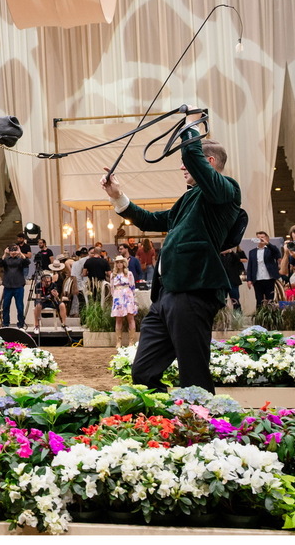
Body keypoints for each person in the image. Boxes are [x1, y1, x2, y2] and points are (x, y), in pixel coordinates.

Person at [100, 111, 242, 391]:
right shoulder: (188, 199)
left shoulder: (226, 191)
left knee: (194, 373)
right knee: (143, 371)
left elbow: (193, 159)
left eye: (185, 163)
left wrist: (190, 127)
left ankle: (203, 428)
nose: (181, 168)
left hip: (193, 293)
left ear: (208, 162)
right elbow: (151, 221)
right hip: (167, 296)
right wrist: (118, 196)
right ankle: (168, 423)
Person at [245, 230, 282, 308]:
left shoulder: (270, 249)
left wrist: (267, 243)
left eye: (262, 237)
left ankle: (271, 317)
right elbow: (250, 266)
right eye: (258, 237)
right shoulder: (252, 252)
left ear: (266, 238)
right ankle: (259, 317)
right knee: (259, 300)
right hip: (257, 279)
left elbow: (277, 253)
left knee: (270, 299)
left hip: (269, 278)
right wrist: (249, 279)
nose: (260, 239)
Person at [108, 255, 139, 347]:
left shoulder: (129, 274)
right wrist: (115, 298)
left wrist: (133, 299)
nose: (119, 264)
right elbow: (112, 288)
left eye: (121, 262)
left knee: (130, 318)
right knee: (118, 319)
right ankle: (118, 341)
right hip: (118, 296)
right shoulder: (113, 275)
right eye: (117, 262)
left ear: (124, 263)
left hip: (128, 295)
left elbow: (133, 286)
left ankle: (131, 341)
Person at [0, 243, 30, 328]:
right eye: (12, 251)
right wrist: (5, 253)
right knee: (6, 306)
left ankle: (21, 324)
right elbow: (0, 264)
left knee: (19, 306)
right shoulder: (6, 259)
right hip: (8, 286)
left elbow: (27, 262)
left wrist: (20, 253)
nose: (13, 252)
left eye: (15, 250)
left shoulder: (20, 260)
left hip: (18, 286)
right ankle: (5, 323)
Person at [219, 244, 248, 310]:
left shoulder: (234, 254)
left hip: (233, 280)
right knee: (222, 300)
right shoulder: (219, 255)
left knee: (235, 299)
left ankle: (238, 317)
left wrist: (230, 252)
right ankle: (223, 317)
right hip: (223, 281)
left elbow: (238, 259)